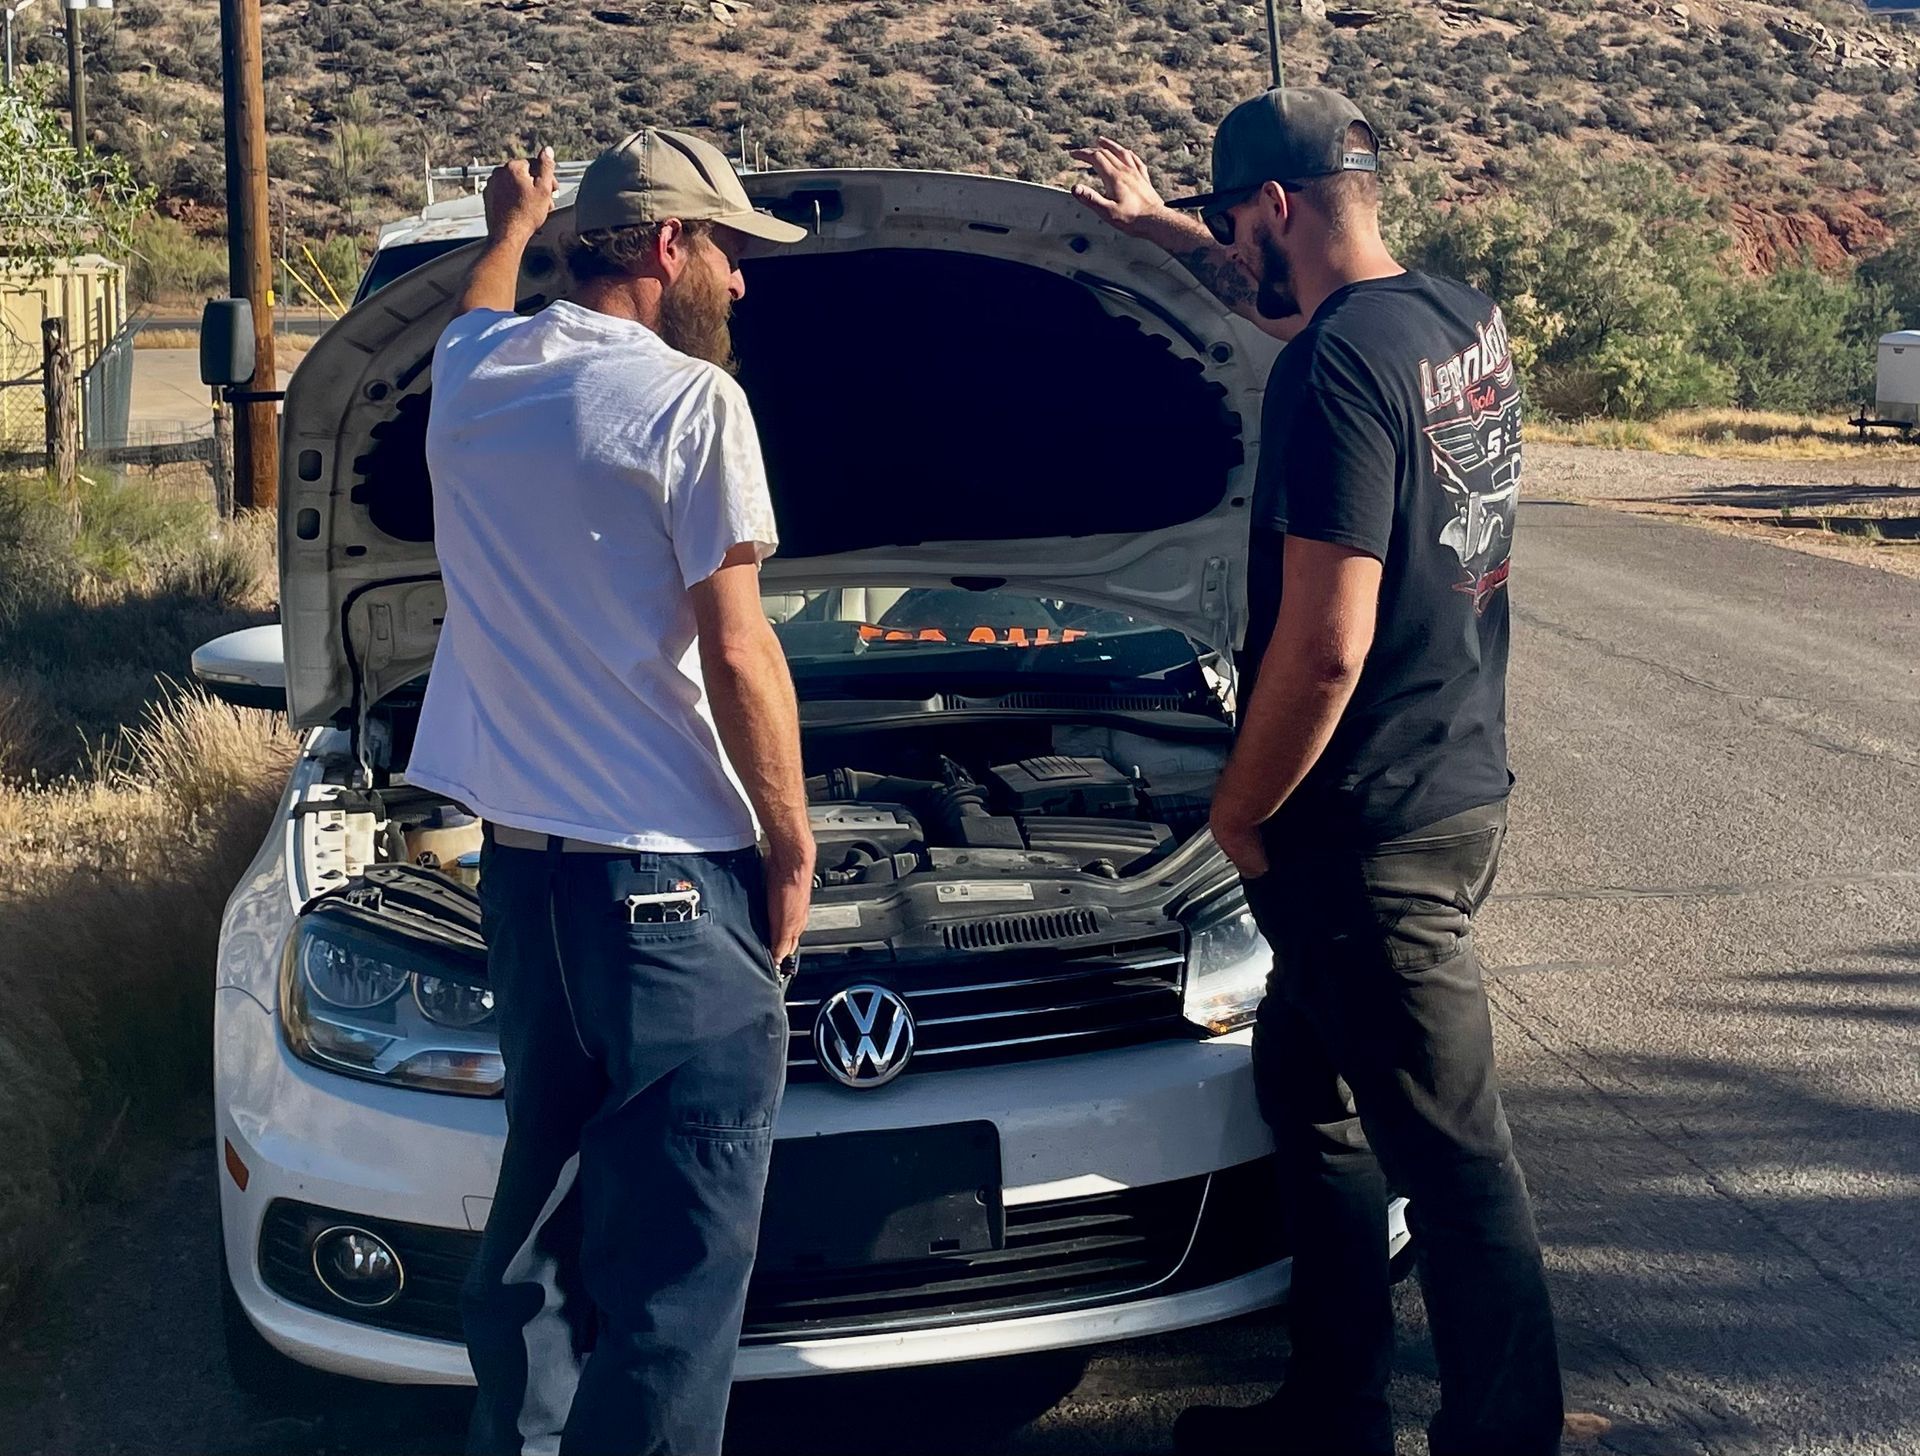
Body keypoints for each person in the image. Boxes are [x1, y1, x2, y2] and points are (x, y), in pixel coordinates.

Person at [1074, 90, 1562, 1455]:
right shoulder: (1456, 320)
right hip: (1458, 783)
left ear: (1277, 207)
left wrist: (1239, 809)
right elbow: (1303, 307)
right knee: (1307, 1087)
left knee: (1459, 1175)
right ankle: (1332, 1409)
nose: (1237, 249)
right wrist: (1170, 228)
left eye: (1238, 223)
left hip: (1362, 833)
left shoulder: (1331, 372)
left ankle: (1499, 1436)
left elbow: (1326, 644)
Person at [407, 130, 816, 1456]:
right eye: (730, 253)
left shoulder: (472, 380)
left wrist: (510, 224)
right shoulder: (693, 407)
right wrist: (792, 846)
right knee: (674, 1293)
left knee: (533, 1253)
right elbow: (740, 647)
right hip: (668, 900)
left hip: (527, 889)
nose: (742, 284)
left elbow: (475, 306)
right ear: (663, 247)